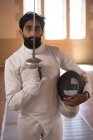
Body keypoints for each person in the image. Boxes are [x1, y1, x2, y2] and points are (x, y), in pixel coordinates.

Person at [4, 11, 92, 140]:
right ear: (21, 32)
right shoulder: (13, 61)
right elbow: (13, 103)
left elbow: (82, 74)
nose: (33, 33)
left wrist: (86, 94)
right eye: (28, 28)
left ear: (42, 31)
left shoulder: (55, 53)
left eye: (37, 28)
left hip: (53, 119)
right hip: (27, 121)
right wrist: (34, 84)